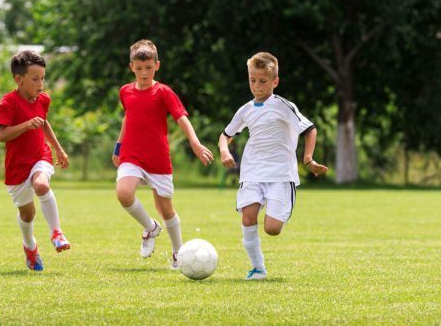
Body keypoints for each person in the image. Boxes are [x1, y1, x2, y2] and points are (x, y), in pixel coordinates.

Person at [218, 51, 328, 280]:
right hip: (253, 172)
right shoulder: (246, 109)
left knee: (272, 229)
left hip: (280, 174)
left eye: (263, 81)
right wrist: (224, 150)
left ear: (275, 82)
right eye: (252, 80)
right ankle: (258, 269)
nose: (256, 86)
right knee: (248, 217)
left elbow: (310, 130)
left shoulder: (283, 106)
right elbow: (225, 134)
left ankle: (282, 206)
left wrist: (308, 159)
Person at [112, 39, 214, 269]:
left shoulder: (163, 92)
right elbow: (128, 117)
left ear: (157, 65)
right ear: (131, 67)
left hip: (157, 159)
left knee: (165, 209)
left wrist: (195, 143)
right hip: (131, 155)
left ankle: (179, 254)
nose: (144, 73)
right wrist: (118, 146)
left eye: (148, 68)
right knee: (124, 193)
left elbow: (181, 118)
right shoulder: (125, 91)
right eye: (139, 69)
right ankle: (150, 228)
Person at [0, 50, 71, 271]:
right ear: (19, 79)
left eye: (43, 78)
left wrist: (59, 149)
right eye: (35, 79)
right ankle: (30, 246)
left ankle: (56, 232)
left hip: (40, 156)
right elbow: (2, 135)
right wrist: (26, 124)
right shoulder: (7, 103)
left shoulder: (43, 99)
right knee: (27, 214)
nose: (41, 84)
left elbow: (44, 123)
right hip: (17, 168)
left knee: (41, 184)